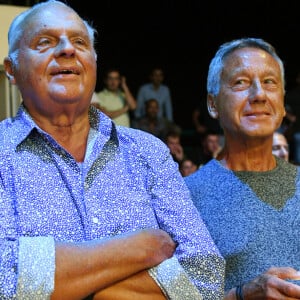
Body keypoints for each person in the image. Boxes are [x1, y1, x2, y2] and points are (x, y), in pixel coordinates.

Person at [1, 1, 225, 299]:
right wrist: (141, 248)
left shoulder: (148, 152)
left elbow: (206, 276)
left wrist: (76, 285)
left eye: (80, 42)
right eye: (45, 41)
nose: (68, 49)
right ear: (11, 69)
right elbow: (5, 279)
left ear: (93, 60)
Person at [184, 37, 300, 299]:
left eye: (270, 82)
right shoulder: (186, 197)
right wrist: (242, 295)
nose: (259, 94)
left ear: (282, 104)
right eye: (241, 82)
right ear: (212, 105)